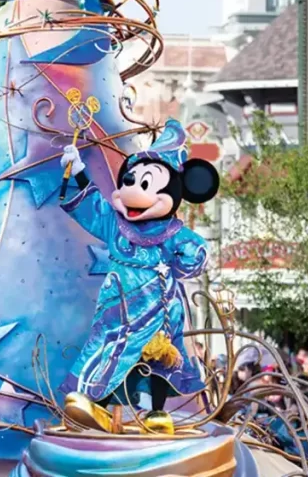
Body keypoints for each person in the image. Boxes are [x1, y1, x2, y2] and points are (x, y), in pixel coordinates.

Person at [56, 120, 220, 435]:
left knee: (157, 361)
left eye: (146, 185)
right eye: (130, 182)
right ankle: (95, 406)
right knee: (104, 354)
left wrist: (177, 263)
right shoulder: (115, 224)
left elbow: (194, 253)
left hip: (156, 310)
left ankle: (155, 413)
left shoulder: (172, 233)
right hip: (115, 312)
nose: (133, 192)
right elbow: (92, 206)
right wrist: (77, 170)